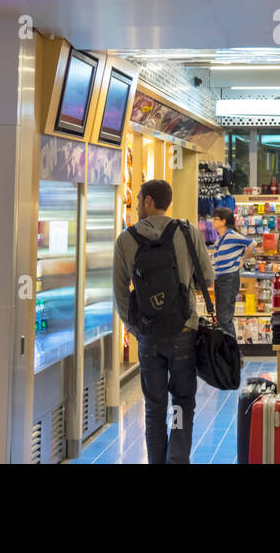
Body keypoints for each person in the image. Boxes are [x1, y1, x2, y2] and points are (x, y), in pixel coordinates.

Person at [113, 179, 215, 464]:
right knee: (182, 402)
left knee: (154, 407)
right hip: (184, 331)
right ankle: (178, 459)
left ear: (148, 201)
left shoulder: (126, 239)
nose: (135, 205)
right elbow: (207, 278)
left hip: (148, 336)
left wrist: (134, 327)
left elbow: (120, 291)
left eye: (137, 199)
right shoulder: (187, 232)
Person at [209, 206, 255, 339]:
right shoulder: (220, 237)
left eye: (216, 219)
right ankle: (228, 351)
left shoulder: (231, 235)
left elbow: (252, 243)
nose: (212, 221)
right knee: (222, 317)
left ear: (223, 221)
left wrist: (243, 260)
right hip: (221, 278)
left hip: (228, 278)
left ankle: (231, 352)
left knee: (224, 318)